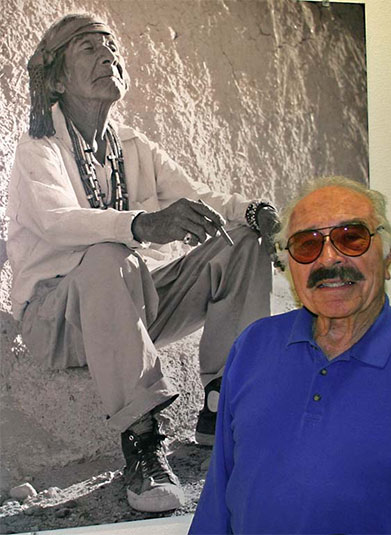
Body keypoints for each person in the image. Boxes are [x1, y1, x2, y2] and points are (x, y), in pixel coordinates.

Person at [6, 13, 281, 513]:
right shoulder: (37, 147)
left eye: (110, 45)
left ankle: (222, 405)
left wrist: (250, 211)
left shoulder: (132, 145)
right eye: (88, 48)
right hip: (56, 317)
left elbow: (195, 196)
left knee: (240, 241)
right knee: (109, 253)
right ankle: (142, 442)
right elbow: (56, 221)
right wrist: (140, 225)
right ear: (60, 80)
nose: (107, 54)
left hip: (122, 304)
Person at [190, 176, 391, 534]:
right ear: (290, 265)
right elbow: (218, 499)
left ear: (388, 253)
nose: (330, 258)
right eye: (307, 245)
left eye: (351, 237)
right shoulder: (253, 346)